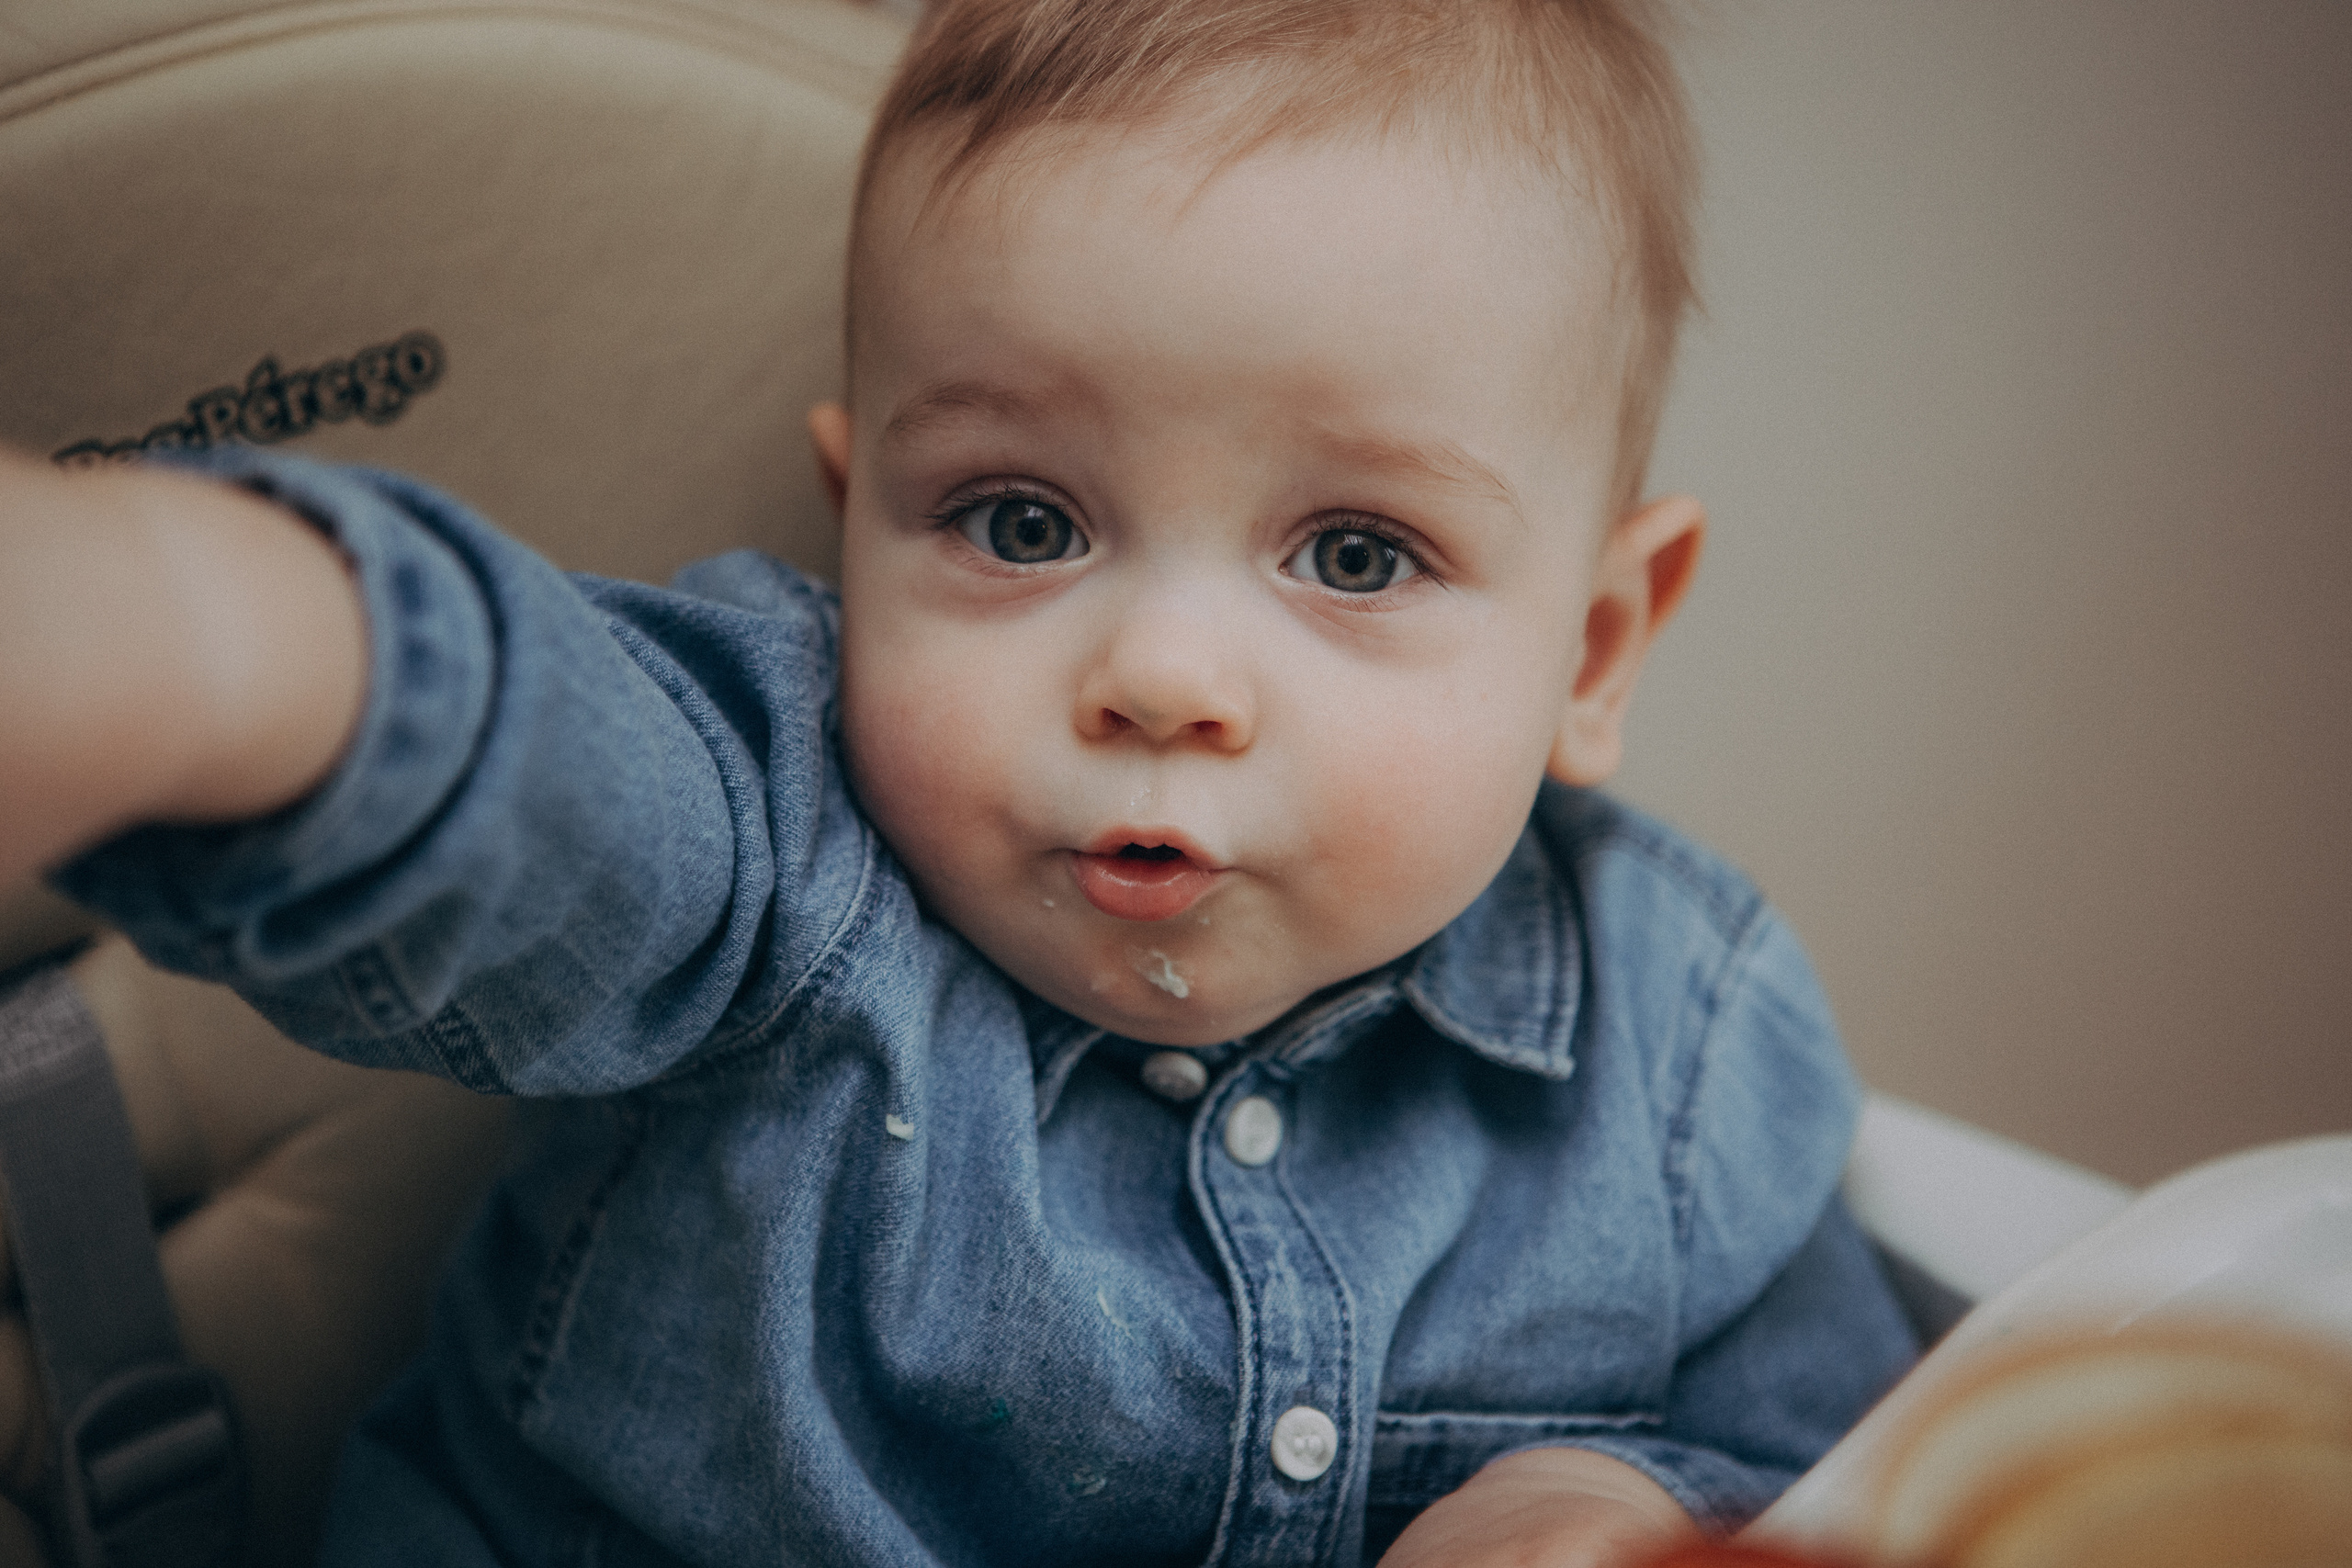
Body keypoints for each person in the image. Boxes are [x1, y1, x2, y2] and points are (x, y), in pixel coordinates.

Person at [0, 0, 1918, 1562]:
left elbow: (1850, 1435)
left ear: (1588, 649)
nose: (1161, 674)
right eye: (1017, 520)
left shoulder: (1679, 1049)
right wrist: (215, 638)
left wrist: (1614, 1499)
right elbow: (539, 782)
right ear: (859, 533)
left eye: (1351, 554)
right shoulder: (773, 851)